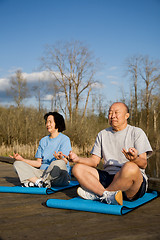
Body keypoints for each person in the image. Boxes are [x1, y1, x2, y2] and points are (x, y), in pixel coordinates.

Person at [66, 102, 152, 205]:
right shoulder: (102, 134)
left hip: (131, 184)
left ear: (126, 116)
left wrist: (134, 159)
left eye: (116, 112)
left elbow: (143, 163)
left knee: (130, 167)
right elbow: (94, 161)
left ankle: (99, 195)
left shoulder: (137, 132)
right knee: (77, 168)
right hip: (108, 177)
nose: (112, 116)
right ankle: (105, 195)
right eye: (110, 113)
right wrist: (77, 159)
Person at [10, 112, 72, 188]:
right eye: (46, 122)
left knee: (58, 163)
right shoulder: (43, 141)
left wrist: (61, 159)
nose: (47, 124)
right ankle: (39, 182)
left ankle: (34, 182)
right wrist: (22, 159)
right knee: (18, 164)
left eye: (50, 122)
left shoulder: (65, 139)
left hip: (58, 176)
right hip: (42, 174)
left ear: (57, 123)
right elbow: (38, 163)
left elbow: (65, 162)